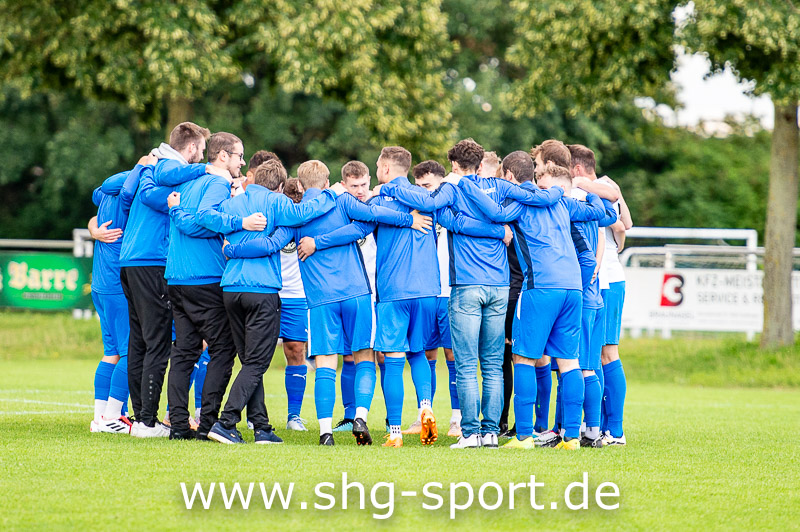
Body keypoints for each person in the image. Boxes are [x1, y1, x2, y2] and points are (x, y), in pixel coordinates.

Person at [375, 139, 555, 449]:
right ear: (481, 164)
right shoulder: (500, 186)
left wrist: (391, 190)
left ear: (454, 165)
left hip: (467, 284)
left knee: (467, 364)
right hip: (499, 286)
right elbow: (530, 196)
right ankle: (491, 432)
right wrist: (503, 226)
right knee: (493, 364)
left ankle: (470, 434)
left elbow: (430, 206)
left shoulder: (451, 188)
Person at [464, 161, 614, 450]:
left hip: (540, 287)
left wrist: (467, 186)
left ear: (509, 176)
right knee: (569, 361)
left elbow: (494, 213)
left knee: (523, 358)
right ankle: (572, 438)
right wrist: (587, 191)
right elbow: (601, 213)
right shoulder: (562, 202)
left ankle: (523, 437)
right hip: (573, 289)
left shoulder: (518, 204)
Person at [207, 159, 341, 444]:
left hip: (230, 288)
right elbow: (303, 213)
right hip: (261, 288)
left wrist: (231, 248)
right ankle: (225, 422)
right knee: (257, 362)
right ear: (280, 186)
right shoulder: (278, 202)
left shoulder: (232, 204)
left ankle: (262, 427)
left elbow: (210, 220)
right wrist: (329, 194)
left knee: (249, 362)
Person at [118, 122, 231, 438]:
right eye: (201, 152)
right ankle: (147, 422)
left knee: (140, 341)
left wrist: (144, 171)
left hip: (131, 261)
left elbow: (126, 191)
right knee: (157, 343)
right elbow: (158, 191)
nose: (203, 158)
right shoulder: (170, 167)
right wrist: (206, 171)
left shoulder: (156, 167)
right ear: (192, 148)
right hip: (152, 260)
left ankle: (142, 417)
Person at [159, 132, 266, 440]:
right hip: (204, 278)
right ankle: (208, 424)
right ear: (223, 156)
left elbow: (193, 219)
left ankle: (179, 426)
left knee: (184, 352)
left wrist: (178, 213)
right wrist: (239, 222)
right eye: (239, 156)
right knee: (223, 349)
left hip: (176, 278)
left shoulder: (189, 182)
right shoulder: (217, 183)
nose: (242, 162)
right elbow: (203, 220)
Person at [569, 144, 632, 446]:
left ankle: (614, 430)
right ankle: (598, 426)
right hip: (604, 278)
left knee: (606, 353)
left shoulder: (598, 186)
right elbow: (626, 224)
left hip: (605, 278)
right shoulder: (605, 186)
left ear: (577, 169)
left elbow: (621, 223)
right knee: (595, 355)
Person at [88, 160, 153, 434]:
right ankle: (112, 417)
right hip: (117, 285)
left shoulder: (105, 192)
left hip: (100, 284)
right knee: (130, 352)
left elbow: (97, 194)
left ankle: (99, 418)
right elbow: (128, 193)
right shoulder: (129, 196)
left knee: (111, 353)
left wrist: (93, 229)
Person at [495, 151, 528, 439]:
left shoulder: (505, 208)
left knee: (507, 358)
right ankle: (526, 424)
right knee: (528, 358)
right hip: (527, 289)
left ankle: (503, 422)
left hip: (510, 291)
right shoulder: (538, 203)